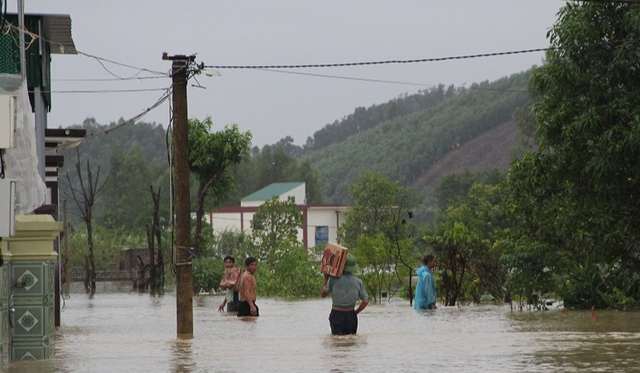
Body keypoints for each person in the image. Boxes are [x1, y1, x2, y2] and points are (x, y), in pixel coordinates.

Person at [321, 254, 369, 335]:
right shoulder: (358, 282)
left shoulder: (333, 279)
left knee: (338, 343)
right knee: (351, 342)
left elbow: (323, 294)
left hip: (337, 314)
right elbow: (365, 301)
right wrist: (355, 312)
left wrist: (326, 278)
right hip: (351, 316)